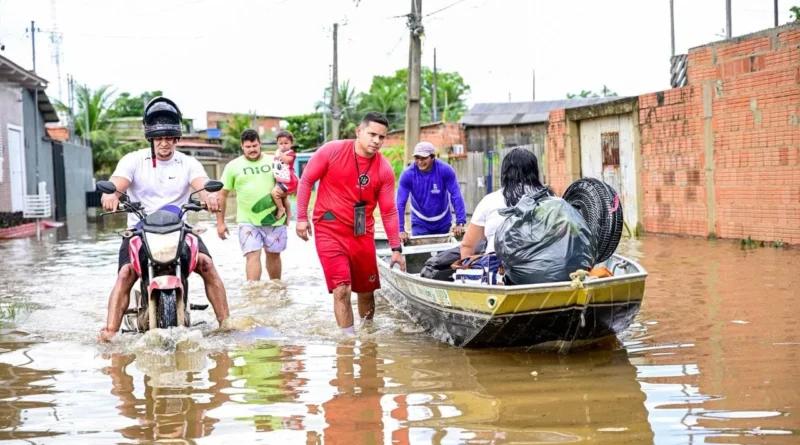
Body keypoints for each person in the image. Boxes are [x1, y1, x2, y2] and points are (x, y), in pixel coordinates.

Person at [98, 97, 230, 342]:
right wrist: (112, 194)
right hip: (139, 230)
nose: (165, 143)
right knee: (126, 274)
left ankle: (226, 324)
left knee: (207, 266)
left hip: (179, 228)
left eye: (169, 138)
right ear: (151, 139)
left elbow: (201, 185)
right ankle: (109, 333)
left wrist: (209, 196)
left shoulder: (188, 163)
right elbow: (118, 183)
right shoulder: (133, 160)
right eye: (159, 138)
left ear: (176, 139)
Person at [295, 112, 405, 335]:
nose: (376, 141)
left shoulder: (384, 169)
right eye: (372, 134)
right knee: (342, 289)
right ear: (359, 131)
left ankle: (367, 338)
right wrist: (301, 218)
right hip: (329, 228)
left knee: (366, 291)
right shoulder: (332, 150)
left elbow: (389, 211)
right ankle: (347, 341)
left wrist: (396, 248)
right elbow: (306, 180)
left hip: (361, 231)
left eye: (381, 137)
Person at [460, 148, 552, 268]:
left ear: (505, 172)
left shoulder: (490, 200)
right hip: (545, 267)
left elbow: (468, 245)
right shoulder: (550, 198)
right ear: (534, 171)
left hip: (498, 270)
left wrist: (466, 273)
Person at [217, 129, 289, 281]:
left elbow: (289, 184)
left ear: (260, 144)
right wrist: (220, 223)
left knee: (274, 256)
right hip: (247, 221)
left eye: (255, 146)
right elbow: (222, 194)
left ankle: (276, 290)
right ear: (242, 146)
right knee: (252, 256)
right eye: (248, 147)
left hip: (275, 218)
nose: (252, 149)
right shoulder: (232, 166)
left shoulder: (274, 161)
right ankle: (253, 295)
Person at [396, 141, 467, 242]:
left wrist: (460, 223)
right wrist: (400, 229)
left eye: (423, 158)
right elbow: (400, 203)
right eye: (417, 158)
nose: (420, 161)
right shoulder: (407, 175)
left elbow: (456, 195)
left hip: (443, 222)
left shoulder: (445, 170)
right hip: (420, 223)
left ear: (433, 157)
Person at [271, 130, 298, 221]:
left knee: (275, 193)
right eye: (280, 143)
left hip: (287, 179)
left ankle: (281, 209)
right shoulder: (278, 152)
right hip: (280, 179)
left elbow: (287, 160)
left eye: (286, 143)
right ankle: (289, 214)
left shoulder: (291, 153)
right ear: (277, 144)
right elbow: (273, 155)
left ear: (291, 143)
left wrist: (281, 153)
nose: (283, 145)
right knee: (284, 198)